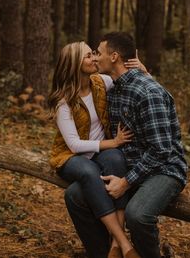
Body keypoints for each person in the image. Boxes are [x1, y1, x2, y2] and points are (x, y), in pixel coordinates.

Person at [64, 32, 187, 258]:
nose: (94, 57)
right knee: (75, 196)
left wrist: (126, 182)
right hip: (129, 165)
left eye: (98, 53)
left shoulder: (148, 93)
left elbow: (161, 150)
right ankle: (107, 253)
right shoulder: (112, 86)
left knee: (137, 215)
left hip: (164, 169)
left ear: (114, 57)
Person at [48, 41, 143, 258]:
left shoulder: (101, 82)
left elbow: (127, 80)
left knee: (117, 159)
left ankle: (114, 248)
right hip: (71, 157)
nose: (94, 58)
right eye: (88, 56)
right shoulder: (64, 101)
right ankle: (123, 242)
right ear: (74, 64)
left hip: (100, 154)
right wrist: (114, 142)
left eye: (93, 53)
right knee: (89, 171)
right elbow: (74, 144)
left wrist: (142, 70)